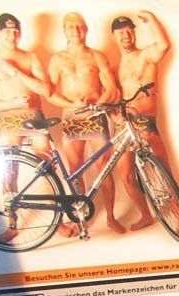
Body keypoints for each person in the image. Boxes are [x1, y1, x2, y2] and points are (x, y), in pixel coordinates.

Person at [48, 12, 123, 234]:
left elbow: (111, 87)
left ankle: (111, 217)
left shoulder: (97, 56)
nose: (76, 30)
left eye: (80, 26)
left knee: (104, 167)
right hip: (72, 118)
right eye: (71, 26)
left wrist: (97, 105)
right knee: (74, 170)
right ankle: (81, 218)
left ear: (86, 29)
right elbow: (50, 93)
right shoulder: (57, 59)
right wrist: (70, 104)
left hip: (95, 116)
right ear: (64, 30)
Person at [0, 13, 53, 242]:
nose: (12, 35)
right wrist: (13, 103)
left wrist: (16, 72)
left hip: (34, 116)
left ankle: (55, 220)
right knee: (9, 170)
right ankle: (12, 224)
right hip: (9, 119)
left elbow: (45, 90)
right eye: (6, 31)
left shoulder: (30, 57)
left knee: (47, 166)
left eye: (15, 31)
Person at [111, 11, 170, 232]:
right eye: (121, 33)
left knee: (163, 170)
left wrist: (151, 19)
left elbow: (164, 45)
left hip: (144, 120)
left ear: (134, 34)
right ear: (114, 37)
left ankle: (176, 213)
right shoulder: (114, 69)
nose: (126, 36)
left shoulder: (146, 56)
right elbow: (112, 99)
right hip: (123, 125)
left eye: (129, 31)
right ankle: (145, 215)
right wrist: (114, 116)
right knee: (125, 174)